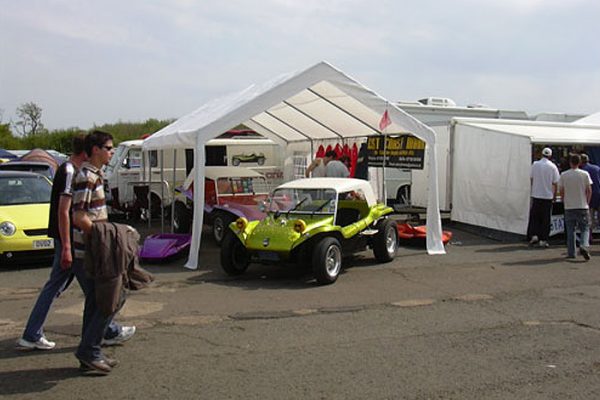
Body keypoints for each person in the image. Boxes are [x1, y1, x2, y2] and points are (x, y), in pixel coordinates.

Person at [17, 135, 134, 351]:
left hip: (70, 240)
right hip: (71, 240)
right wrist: (69, 246)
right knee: (98, 292)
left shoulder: (73, 171)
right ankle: (97, 337)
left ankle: (101, 334)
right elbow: (67, 212)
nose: (110, 152)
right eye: (107, 148)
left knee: (79, 290)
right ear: (89, 151)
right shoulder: (73, 172)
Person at [72, 130, 131, 374]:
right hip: (91, 251)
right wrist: (102, 240)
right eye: (108, 148)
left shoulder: (94, 174)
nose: (112, 152)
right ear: (95, 150)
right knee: (113, 298)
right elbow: (79, 216)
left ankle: (90, 353)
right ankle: (89, 351)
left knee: (96, 303)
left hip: (90, 250)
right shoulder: (86, 176)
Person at [558, 153, 592, 261]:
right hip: (582, 205)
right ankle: (583, 244)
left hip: (569, 206)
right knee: (585, 228)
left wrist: (564, 201)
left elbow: (561, 190)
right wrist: (587, 201)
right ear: (580, 163)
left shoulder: (564, 175)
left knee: (570, 230)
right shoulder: (584, 174)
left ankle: (571, 252)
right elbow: (589, 190)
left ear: (570, 162)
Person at [527, 147, 560, 248]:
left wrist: (533, 190)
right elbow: (555, 183)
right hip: (547, 196)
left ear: (541, 154)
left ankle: (534, 235)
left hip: (536, 195)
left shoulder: (535, 164)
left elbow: (531, 178)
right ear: (550, 156)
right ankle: (543, 239)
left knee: (534, 217)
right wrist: (554, 196)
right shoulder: (553, 167)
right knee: (545, 219)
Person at [580, 153, 600, 236]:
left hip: (590, 195)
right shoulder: (597, 168)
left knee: (590, 217)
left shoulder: (583, 171)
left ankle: (589, 236)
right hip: (599, 192)